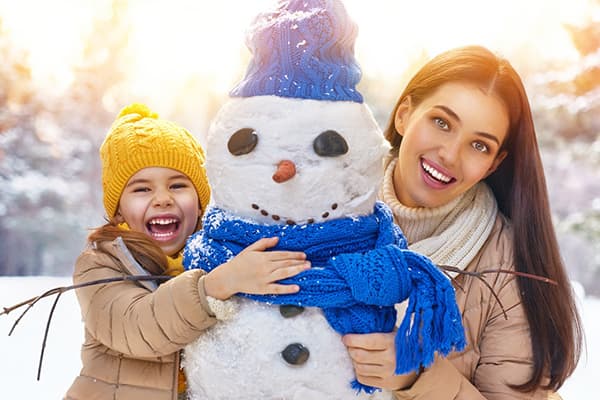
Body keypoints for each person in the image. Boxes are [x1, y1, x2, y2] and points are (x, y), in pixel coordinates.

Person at [342, 45, 583, 399]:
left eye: (479, 146)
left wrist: (419, 376)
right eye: (441, 123)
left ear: (495, 163)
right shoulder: (324, 202)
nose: (450, 155)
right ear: (405, 115)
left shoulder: (509, 269)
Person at [64, 103, 309, 400]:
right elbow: (138, 326)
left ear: (200, 202)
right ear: (118, 211)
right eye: (142, 189)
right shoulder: (101, 264)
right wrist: (215, 286)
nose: (163, 199)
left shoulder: (220, 257)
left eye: (178, 185)